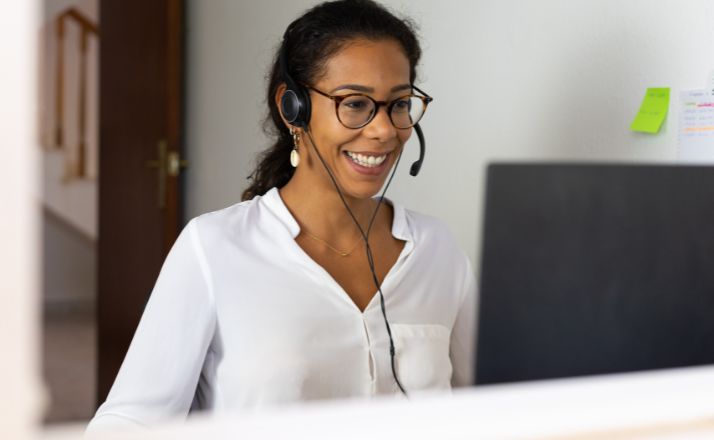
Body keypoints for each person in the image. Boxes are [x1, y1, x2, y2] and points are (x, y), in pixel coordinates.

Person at [87, 0, 476, 431]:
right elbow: (131, 419)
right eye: (355, 103)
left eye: (399, 104)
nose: (384, 130)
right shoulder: (214, 246)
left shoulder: (438, 249)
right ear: (292, 108)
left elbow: (493, 401)